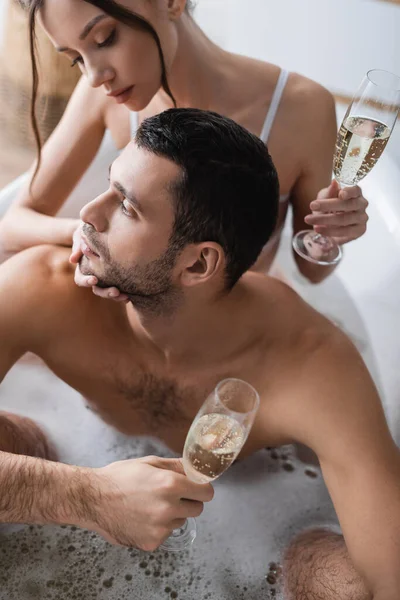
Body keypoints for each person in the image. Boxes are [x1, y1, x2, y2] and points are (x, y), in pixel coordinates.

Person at [0, 109, 398, 600]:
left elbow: (389, 580)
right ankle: (40, 451)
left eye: (125, 206)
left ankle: (299, 558)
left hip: (262, 511)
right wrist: (85, 496)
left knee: (346, 586)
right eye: (109, 186)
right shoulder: (42, 288)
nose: (87, 213)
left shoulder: (311, 365)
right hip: (70, 458)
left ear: (198, 262)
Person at [0, 0, 369, 293]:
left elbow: (312, 272)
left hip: (238, 332)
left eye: (105, 38)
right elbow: (12, 225)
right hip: (134, 323)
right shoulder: (102, 100)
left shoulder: (301, 110)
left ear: (172, 2)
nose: (95, 76)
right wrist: (87, 235)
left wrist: (332, 236)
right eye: (76, 59)